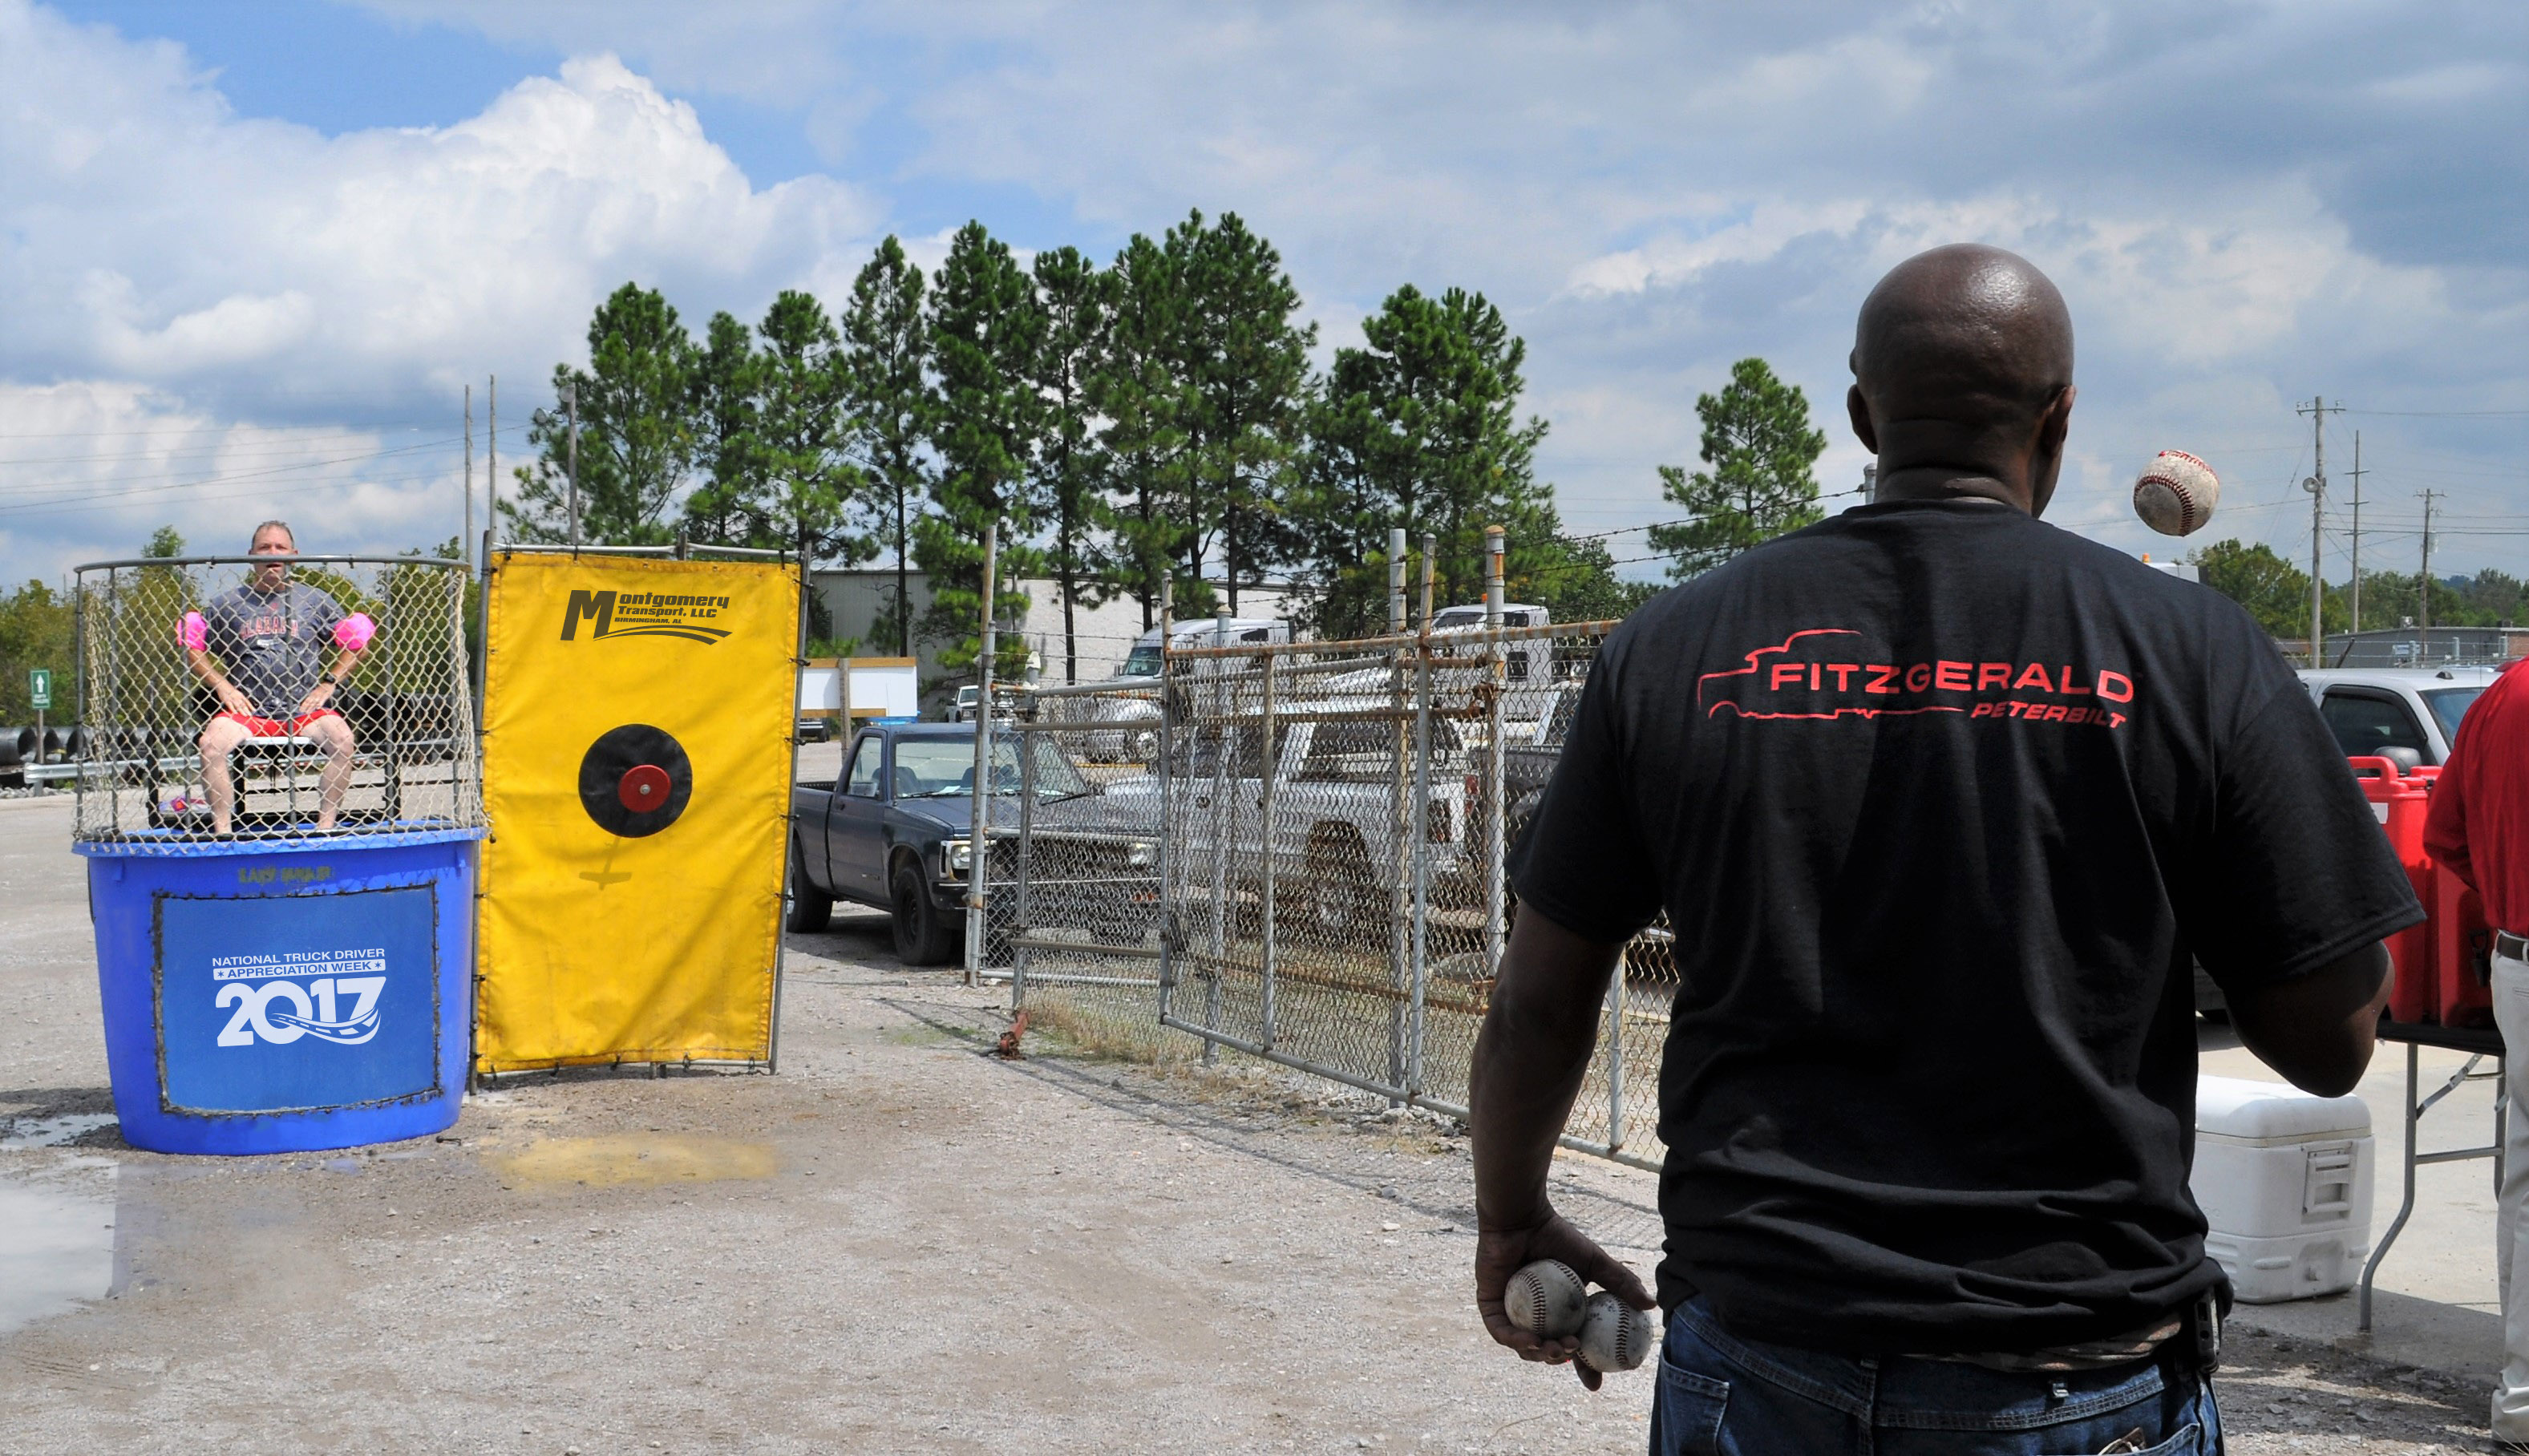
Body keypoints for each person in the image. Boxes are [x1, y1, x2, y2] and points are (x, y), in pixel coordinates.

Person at [1470, 244, 2422, 1454]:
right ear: (2059, 419)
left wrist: (1510, 1217)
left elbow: (1536, 1003)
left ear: (1863, 414)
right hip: (2075, 1373)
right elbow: (2331, 1045)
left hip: (1763, 1356)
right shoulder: (2191, 649)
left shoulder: (1675, 645)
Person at [2421, 659, 2529, 1450]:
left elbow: (2441, 835)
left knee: (2524, 1181)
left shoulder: (2501, 694)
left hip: (2516, 957)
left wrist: (2501, 894)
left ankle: (2523, 1401)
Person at [187, 520, 365, 835]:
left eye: (280, 548)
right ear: (251, 555)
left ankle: (325, 828)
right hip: (248, 712)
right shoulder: (226, 603)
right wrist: (222, 684)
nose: (273, 554)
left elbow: (356, 645)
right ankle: (223, 832)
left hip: (304, 709)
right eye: (264, 547)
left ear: (294, 556)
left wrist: (330, 682)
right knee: (210, 744)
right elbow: (194, 647)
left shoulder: (316, 600)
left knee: (343, 740)